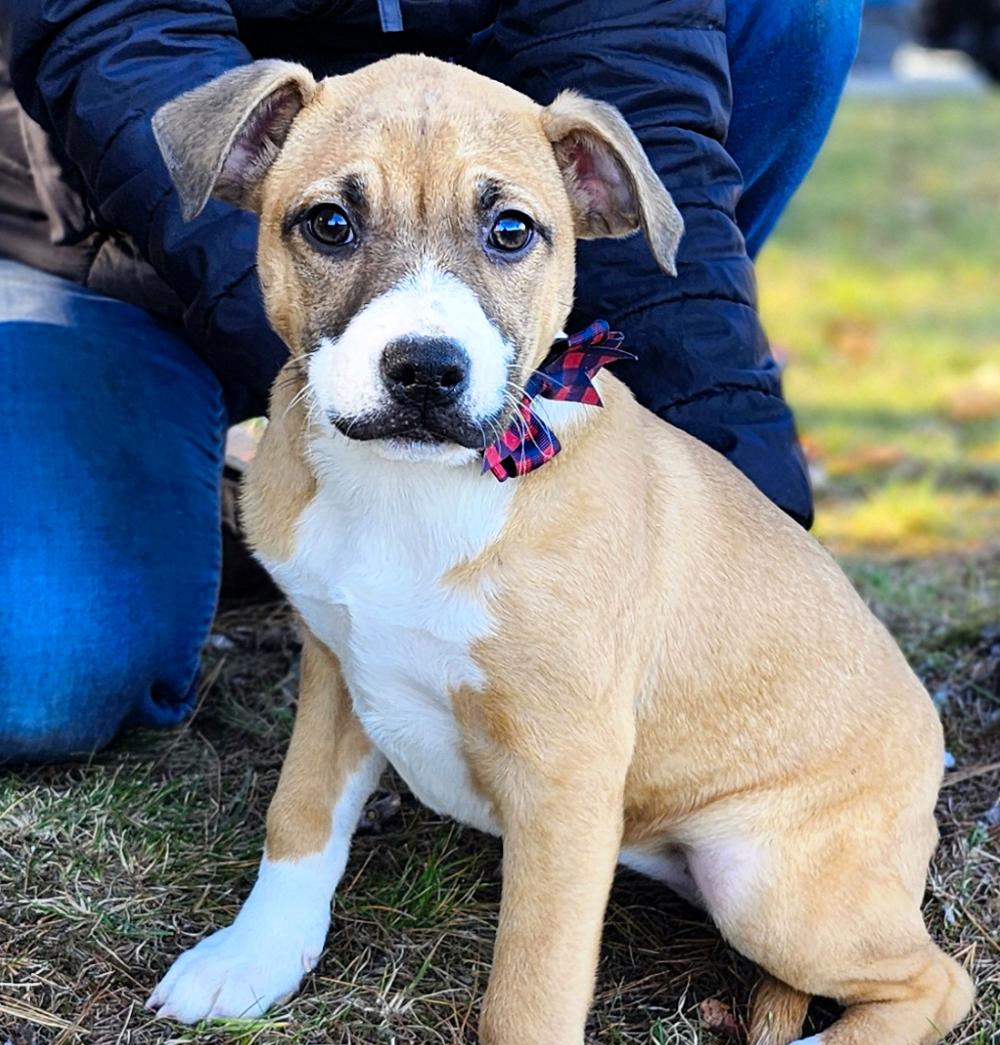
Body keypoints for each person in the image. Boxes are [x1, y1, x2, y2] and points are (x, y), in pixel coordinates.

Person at [0, 0, 862, 762]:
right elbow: (114, 38)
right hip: (103, 247)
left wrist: (752, 539)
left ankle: (480, 453)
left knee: (793, 13)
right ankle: (238, 491)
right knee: (40, 664)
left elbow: (638, 62)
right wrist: (338, 367)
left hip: (467, 239)